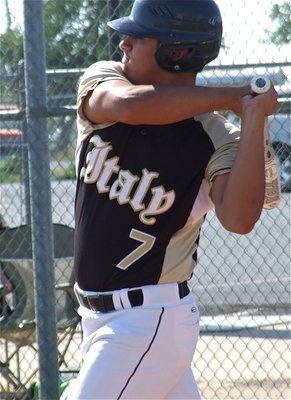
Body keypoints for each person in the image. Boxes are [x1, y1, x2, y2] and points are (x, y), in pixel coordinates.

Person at [71, 0, 278, 398]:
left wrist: (253, 120)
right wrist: (236, 95)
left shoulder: (216, 137)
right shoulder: (106, 78)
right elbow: (131, 107)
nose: (123, 44)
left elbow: (238, 219)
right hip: (100, 318)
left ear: (177, 52)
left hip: (147, 319)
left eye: (137, 36)